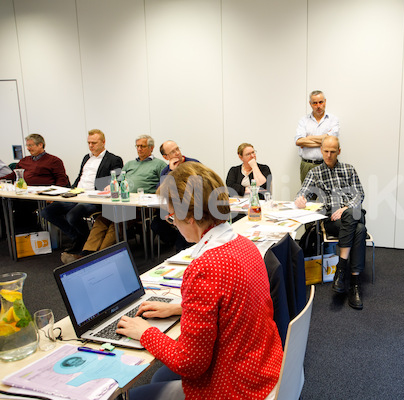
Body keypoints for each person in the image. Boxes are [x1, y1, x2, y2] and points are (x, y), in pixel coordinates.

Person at [116, 162, 283, 399]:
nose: (173, 224)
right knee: (161, 377)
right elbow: (232, 307)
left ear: (190, 218)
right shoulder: (246, 245)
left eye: (172, 217)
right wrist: (180, 308)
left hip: (236, 388)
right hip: (266, 370)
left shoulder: (204, 267)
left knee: (134, 394)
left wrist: (145, 332)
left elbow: (190, 364)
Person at [61, 135, 165, 263]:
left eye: (142, 146)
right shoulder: (130, 164)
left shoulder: (159, 164)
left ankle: (100, 256)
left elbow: (164, 185)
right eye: (137, 146)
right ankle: (86, 254)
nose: (139, 149)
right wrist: (110, 187)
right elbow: (118, 180)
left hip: (140, 206)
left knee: (117, 222)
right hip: (123, 202)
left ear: (151, 148)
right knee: (101, 220)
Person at [295, 136, 367, 309]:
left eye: (332, 152)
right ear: (321, 151)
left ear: (339, 152)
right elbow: (302, 192)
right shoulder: (315, 173)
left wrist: (345, 208)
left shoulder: (349, 170)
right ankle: (354, 284)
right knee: (360, 230)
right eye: (325, 151)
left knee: (351, 215)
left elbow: (359, 194)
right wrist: (300, 199)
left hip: (352, 213)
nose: (328, 155)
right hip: (332, 220)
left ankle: (340, 271)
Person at [41, 129, 123, 253]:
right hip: (77, 194)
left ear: (103, 142)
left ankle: (83, 240)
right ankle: (79, 237)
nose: (91, 145)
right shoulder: (86, 158)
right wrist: (66, 193)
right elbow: (80, 177)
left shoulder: (113, 159)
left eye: (94, 143)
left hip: (93, 198)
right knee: (47, 212)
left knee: (72, 216)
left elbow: (116, 179)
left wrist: (110, 186)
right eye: (89, 143)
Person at [1, 133, 70, 233]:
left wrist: (54, 195)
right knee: (6, 205)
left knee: (22, 209)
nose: (28, 148)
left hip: (42, 196)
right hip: (25, 194)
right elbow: (13, 176)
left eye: (31, 145)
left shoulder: (54, 161)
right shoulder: (24, 160)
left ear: (40, 145)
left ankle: (31, 234)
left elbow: (62, 180)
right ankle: (12, 234)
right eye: (27, 145)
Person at [151, 140, 200, 251]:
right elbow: (161, 190)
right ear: (165, 157)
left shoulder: (193, 164)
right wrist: (172, 172)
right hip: (173, 209)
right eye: (173, 152)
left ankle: (183, 243)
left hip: (192, 207)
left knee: (183, 228)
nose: (177, 153)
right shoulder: (166, 170)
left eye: (177, 149)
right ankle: (177, 241)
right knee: (156, 224)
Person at [295, 90, 339, 182]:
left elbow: (332, 141)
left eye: (320, 102)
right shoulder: (303, 120)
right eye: (315, 103)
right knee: (307, 195)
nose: (318, 106)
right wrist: (324, 140)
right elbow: (299, 141)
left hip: (327, 164)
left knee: (327, 195)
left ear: (325, 101)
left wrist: (308, 138)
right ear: (310, 104)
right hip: (307, 165)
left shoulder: (333, 120)